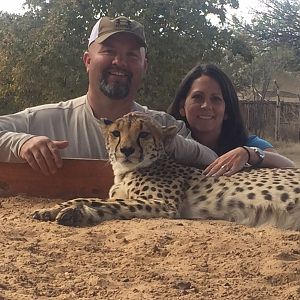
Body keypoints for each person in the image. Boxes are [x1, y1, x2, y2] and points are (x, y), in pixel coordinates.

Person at [0, 16, 217, 176]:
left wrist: (163, 139)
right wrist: (21, 143)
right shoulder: (45, 120)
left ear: (144, 66)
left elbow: (211, 160)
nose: (120, 62)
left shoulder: (163, 125)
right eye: (109, 51)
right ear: (87, 60)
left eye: (131, 55)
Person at [167, 64, 295, 176]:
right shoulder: (169, 146)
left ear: (227, 110)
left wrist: (248, 154)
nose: (206, 105)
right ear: (182, 107)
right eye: (198, 97)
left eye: (215, 99)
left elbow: (290, 168)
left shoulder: (247, 143)